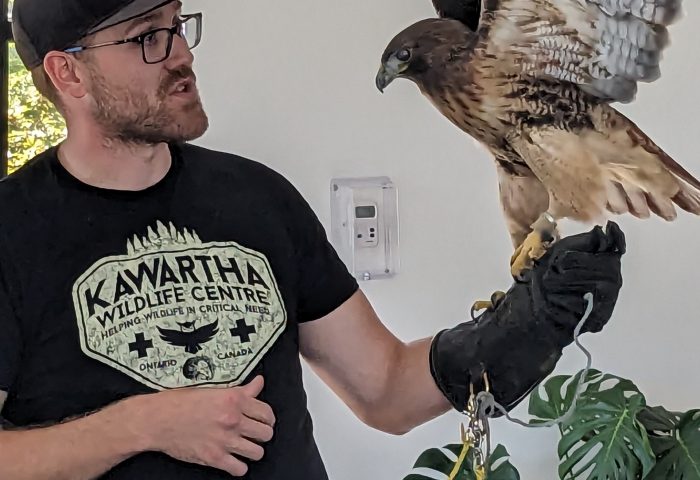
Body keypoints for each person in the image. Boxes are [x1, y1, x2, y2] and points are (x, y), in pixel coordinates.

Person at [0, 1, 625, 479]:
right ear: (67, 73)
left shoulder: (258, 198)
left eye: (177, 24)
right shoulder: (13, 228)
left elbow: (385, 390)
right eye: (146, 38)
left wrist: (530, 323)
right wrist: (141, 424)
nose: (181, 54)